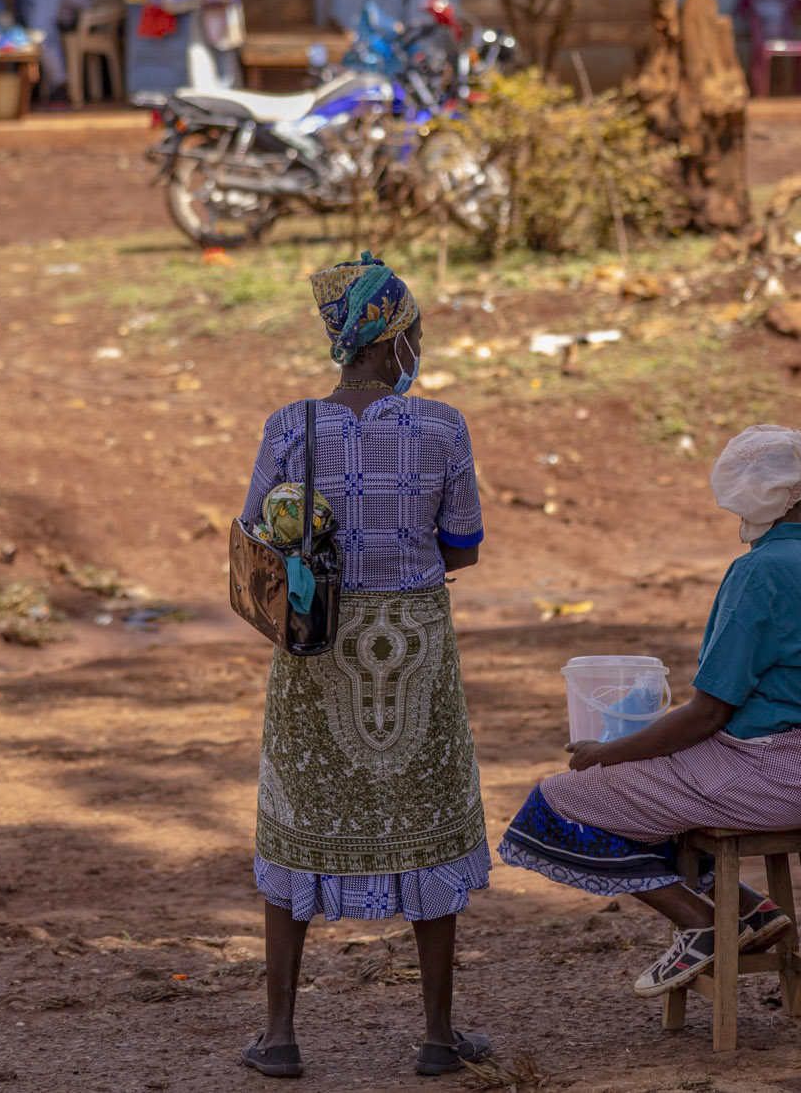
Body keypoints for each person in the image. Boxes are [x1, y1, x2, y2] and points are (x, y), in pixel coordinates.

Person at [237, 254, 492, 1079]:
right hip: (413, 652)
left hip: (316, 651)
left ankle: (279, 1037)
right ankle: (437, 1038)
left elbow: (255, 539)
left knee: (297, 817)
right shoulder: (442, 427)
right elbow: (464, 547)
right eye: (413, 331)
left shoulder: (289, 426)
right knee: (427, 823)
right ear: (393, 340)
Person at [497, 425, 801, 998]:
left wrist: (607, 753)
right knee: (652, 792)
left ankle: (701, 925)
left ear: (738, 497)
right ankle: (750, 910)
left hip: (776, 774)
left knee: (559, 803)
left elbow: (706, 714)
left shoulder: (757, 572)